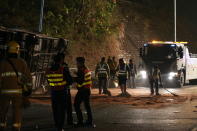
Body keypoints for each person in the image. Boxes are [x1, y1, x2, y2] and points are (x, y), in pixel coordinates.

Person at [0, 41, 32, 131]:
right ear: (17, 51)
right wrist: (28, 90)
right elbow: (29, 79)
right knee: (17, 112)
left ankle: (1, 126)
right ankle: (16, 128)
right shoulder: (22, 63)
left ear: (8, 50)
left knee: (2, 111)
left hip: (4, 92)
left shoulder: (2, 63)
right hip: (18, 93)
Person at [46, 53, 73, 131]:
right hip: (62, 92)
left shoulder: (49, 70)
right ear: (61, 60)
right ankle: (60, 127)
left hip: (54, 92)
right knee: (62, 110)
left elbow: (49, 81)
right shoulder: (63, 69)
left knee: (55, 109)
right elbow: (70, 81)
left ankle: (56, 123)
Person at [74, 57, 94, 127]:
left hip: (83, 90)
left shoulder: (81, 70)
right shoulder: (86, 69)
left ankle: (80, 121)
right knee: (87, 106)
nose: (76, 64)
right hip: (87, 90)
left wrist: (74, 78)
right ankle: (90, 121)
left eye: (77, 62)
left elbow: (80, 81)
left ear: (80, 63)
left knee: (76, 104)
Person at [59, 53, 73, 126]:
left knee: (58, 108)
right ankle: (69, 121)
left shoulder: (52, 67)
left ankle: (58, 123)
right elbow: (69, 78)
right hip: (65, 89)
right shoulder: (65, 66)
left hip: (55, 91)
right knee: (68, 107)